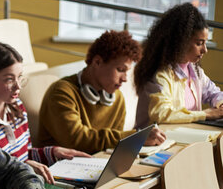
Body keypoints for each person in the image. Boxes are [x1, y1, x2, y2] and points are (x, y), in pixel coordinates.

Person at [0, 41, 90, 189]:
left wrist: (52, 153)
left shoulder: (18, 108)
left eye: (19, 77)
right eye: (9, 79)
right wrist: (22, 171)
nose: (18, 86)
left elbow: (24, 156)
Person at [38, 30, 166, 154]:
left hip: (95, 164)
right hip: (57, 169)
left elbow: (112, 147)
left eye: (127, 72)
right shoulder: (61, 92)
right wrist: (136, 137)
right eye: (121, 69)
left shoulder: (116, 97)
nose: (125, 79)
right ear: (97, 62)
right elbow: (77, 140)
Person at [134, 3, 223, 128]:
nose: (205, 50)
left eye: (205, 43)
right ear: (181, 41)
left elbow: (213, 93)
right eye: (199, 43)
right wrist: (205, 114)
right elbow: (161, 113)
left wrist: (221, 104)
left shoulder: (194, 70)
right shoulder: (159, 74)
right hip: (155, 143)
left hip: (183, 138)